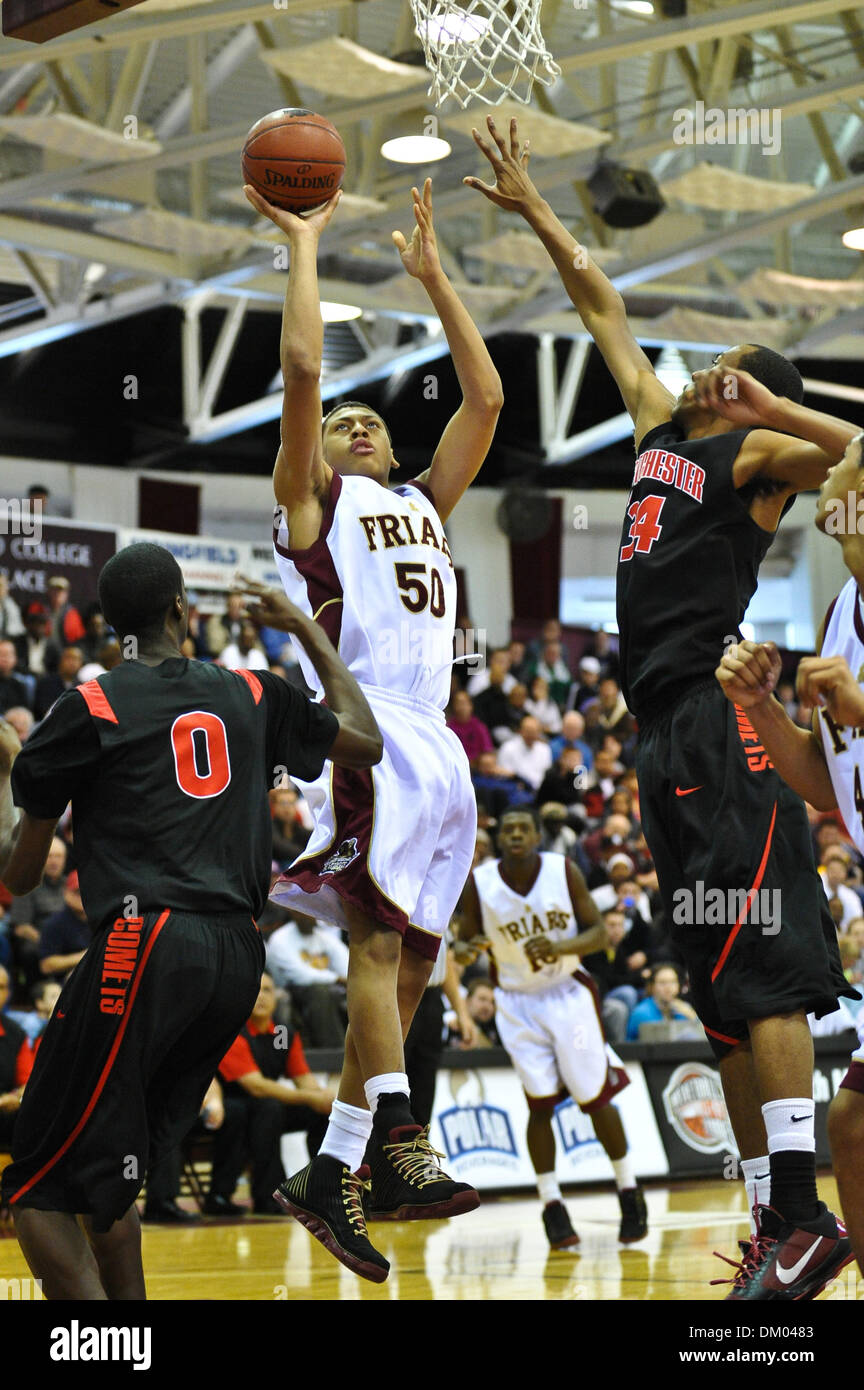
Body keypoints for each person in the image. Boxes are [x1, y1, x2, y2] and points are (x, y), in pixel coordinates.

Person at [467, 114, 855, 1301]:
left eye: (734, 368)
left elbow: (860, 447)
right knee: (727, 999)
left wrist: (770, 411)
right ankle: (766, 1222)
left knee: (769, 973)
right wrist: (540, 212)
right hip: (659, 736)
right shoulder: (655, 432)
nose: (709, 367)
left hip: (714, 722)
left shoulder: (747, 460)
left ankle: (806, 1213)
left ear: (752, 406)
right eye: (718, 362)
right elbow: (603, 309)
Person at [0, 542, 382, 1300]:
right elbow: (363, 740)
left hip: (144, 946)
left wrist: (14, 762)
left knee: (36, 1186)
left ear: (112, 627)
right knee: (109, 1177)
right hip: (238, 957)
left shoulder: (88, 708)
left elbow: (15, 879)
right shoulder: (250, 689)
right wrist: (307, 632)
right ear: (183, 609)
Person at [247, 172, 502, 1282]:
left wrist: (436, 277)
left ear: (395, 456)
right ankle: (398, 1134)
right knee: (375, 946)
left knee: (404, 980)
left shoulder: (426, 507)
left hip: (441, 744)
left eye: (372, 421)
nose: (353, 424)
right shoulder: (317, 506)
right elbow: (305, 369)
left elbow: (485, 401)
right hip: (371, 732)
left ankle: (332, 1167)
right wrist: (305, 244)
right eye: (342, 423)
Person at [715, 430, 864, 1279]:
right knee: (851, 1126)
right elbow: (823, 783)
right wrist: (765, 709)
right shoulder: (844, 609)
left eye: (843, 465)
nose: (826, 469)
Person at [457, 807, 648, 1250]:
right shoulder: (481, 882)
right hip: (516, 1003)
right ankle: (551, 1204)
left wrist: (560, 945)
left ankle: (629, 1191)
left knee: (594, 1099)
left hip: (567, 995)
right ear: (500, 838)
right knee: (539, 1106)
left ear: (538, 835)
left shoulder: (562, 871)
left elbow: (599, 934)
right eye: (509, 829)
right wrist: (466, 952)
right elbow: (468, 939)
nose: (517, 834)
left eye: (524, 828)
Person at [208, 972, 336, 1216]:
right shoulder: (233, 1030)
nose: (261, 997)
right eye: (255, 990)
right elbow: (256, 1086)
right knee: (268, 1108)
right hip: (233, 1102)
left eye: (267, 990)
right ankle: (267, 1195)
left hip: (268, 1105)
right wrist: (311, 1097)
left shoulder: (282, 1033)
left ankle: (322, 1188)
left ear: (276, 997)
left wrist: (323, 1098)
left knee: (320, 1113)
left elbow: (303, 1079)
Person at [626, 963, 701, 1040]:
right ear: (651, 986)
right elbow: (661, 1039)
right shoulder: (642, 1012)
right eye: (662, 982)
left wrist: (691, 1015)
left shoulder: (682, 1008)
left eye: (673, 981)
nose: (668, 987)